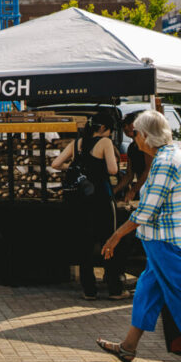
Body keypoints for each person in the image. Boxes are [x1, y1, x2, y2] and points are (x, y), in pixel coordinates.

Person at [96, 111, 181, 362]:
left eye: (136, 134)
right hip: (164, 241)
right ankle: (128, 347)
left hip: (168, 242)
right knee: (146, 291)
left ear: (146, 136)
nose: (134, 140)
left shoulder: (165, 161)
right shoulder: (174, 154)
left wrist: (116, 235)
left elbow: (147, 210)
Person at [51, 112, 125, 301]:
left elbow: (56, 163)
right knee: (108, 241)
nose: (109, 134)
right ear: (102, 128)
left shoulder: (77, 143)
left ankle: (89, 289)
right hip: (101, 198)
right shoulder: (105, 143)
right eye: (109, 130)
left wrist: (76, 169)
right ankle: (115, 289)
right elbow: (113, 170)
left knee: (84, 243)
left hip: (81, 201)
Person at [115, 111, 150, 204]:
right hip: (141, 189)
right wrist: (113, 191)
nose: (126, 127)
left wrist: (133, 190)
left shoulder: (148, 145)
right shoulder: (131, 148)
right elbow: (129, 175)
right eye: (123, 125)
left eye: (129, 123)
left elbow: (148, 171)